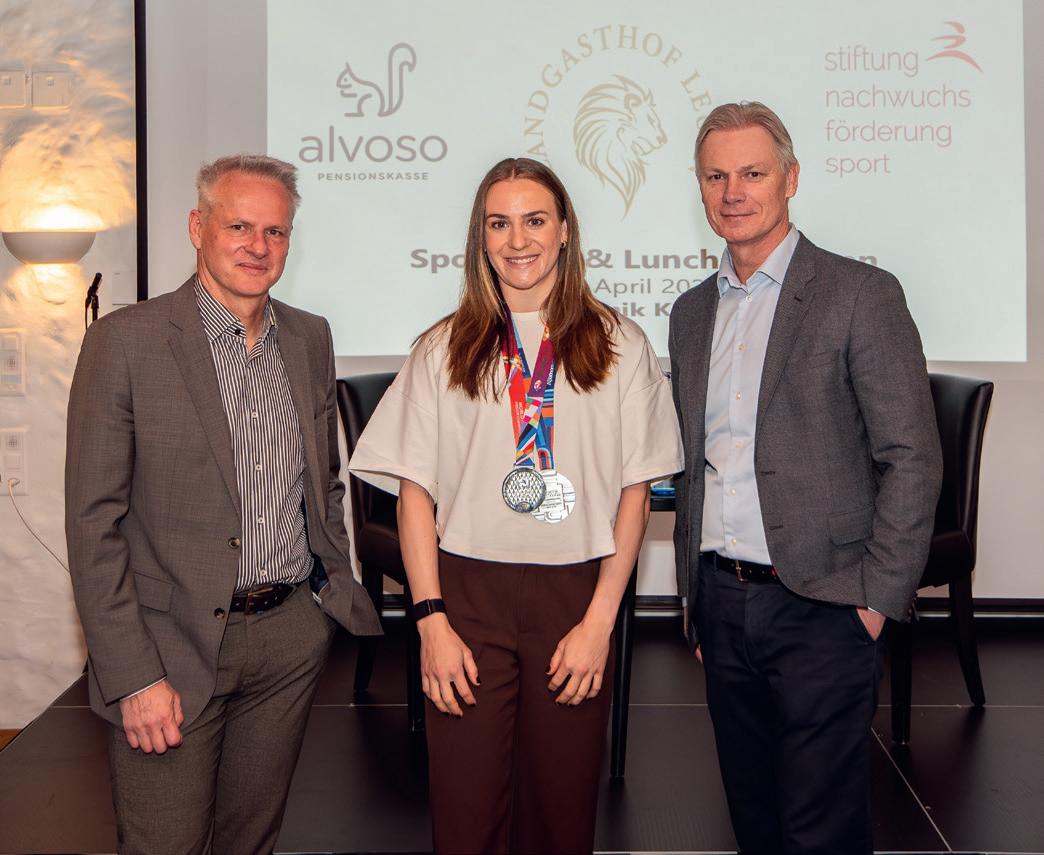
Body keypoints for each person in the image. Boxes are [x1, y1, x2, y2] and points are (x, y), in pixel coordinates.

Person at [348, 157, 683, 854]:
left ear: (564, 231)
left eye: (534, 220)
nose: (518, 239)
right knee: (466, 816)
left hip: (576, 596)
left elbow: (635, 493)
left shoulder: (621, 345)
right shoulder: (443, 347)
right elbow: (415, 494)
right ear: (481, 236)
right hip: (467, 597)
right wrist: (430, 620)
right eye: (499, 223)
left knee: (560, 815)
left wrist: (600, 622)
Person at [65, 154, 381, 855]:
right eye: (239, 226)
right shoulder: (125, 342)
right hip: (168, 647)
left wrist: (321, 602)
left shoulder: (309, 336)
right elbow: (93, 527)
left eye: (275, 231)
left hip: (288, 637)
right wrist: (133, 675)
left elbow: (321, 480)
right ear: (197, 227)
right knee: (165, 844)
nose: (257, 246)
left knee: (251, 840)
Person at [669, 102, 943, 855]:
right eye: (716, 176)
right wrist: (697, 602)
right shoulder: (691, 313)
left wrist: (875, 602)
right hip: (723, 604)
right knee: (753, 822)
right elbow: (699, 461)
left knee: (821, 832)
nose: (734, 192)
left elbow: (912, 456)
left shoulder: (859, 294)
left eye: (752, 173)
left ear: (790, 179)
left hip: (827, 604)